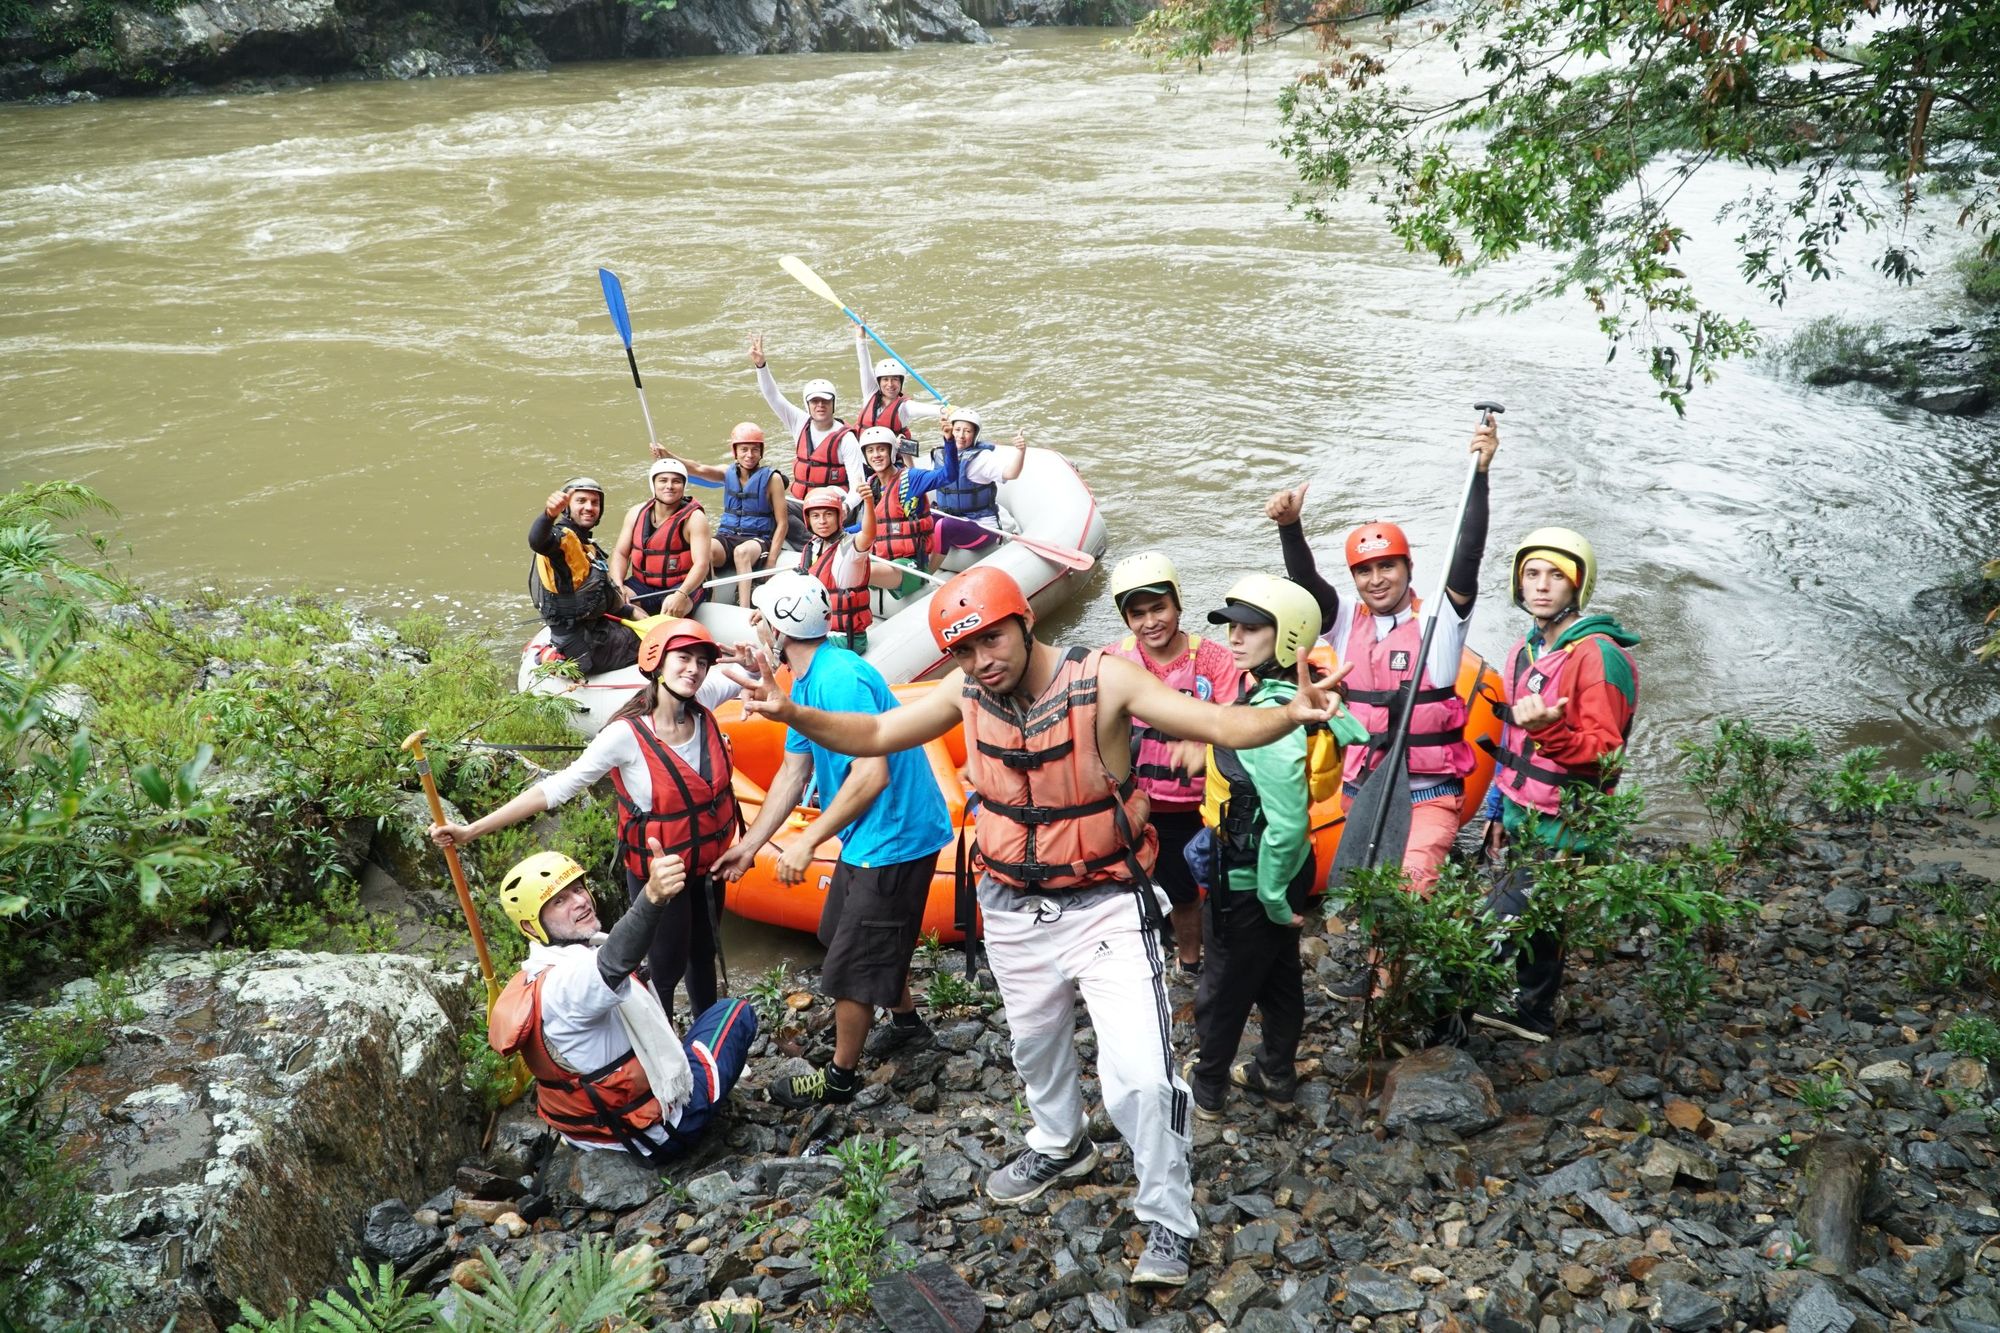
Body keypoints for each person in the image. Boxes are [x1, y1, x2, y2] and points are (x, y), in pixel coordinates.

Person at [733, 567, 1345, 1289]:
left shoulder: (1106, 680)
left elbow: (1216, 723)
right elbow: (873, 730)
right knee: (1034, 1045)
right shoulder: (966, 693)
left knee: (1144, 1080)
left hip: (1107, 906)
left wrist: (1288, 714)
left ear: (1025, 621)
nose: (981, 659)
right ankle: (1061, 1143)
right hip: (1013, 906)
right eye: (964, 649)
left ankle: (1168, 1219)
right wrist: (789, 712)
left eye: (992, 637)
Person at [711, 571, 953, 1108]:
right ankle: (908, 1023)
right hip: (872, 834)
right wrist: (751, 846)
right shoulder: (807, 679)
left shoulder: (838, 680)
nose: (759, 629)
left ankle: (841, 1079)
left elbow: (872, 775)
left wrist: (807, 840)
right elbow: (793, 773)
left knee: (851, 967)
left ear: (780, 626)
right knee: (836, 931)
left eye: (764, 620)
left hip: (896, 836)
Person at [431, 619, 751, 1021]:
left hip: (707, 866)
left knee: (704, 955)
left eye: (702, 663)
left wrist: (753, 655)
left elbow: (758, 674)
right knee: (665, 970)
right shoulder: (624, 736)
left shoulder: (707, 699)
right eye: (683, 659)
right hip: (658, 877)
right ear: (657, 663)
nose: (694, 669)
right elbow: (556, 788)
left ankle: (709, 1042)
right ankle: (661, 1048)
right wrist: (471, 830)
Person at [1266, 420, 1499, 912]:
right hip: (1364, 788)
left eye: (1387, 566)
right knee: (1368, 898)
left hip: (1428, 793)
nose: (1376, 579)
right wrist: (1291, 528)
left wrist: (1479, 475)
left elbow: (1467, 556)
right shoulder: (1348, 623)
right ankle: (1378, 978)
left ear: (1408, 568)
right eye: (1365, 571)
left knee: (1409, 894)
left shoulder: (1439, 623)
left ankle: (1390, 984)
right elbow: (1309, 585)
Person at [1185, 575, 1366, 1120]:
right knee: (1279, 974)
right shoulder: (1282, 699)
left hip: (1251, 869)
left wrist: (1269, 894)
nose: (1234, 639)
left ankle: (1209, 1088)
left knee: (1224, 982)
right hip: (1276, 865)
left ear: (1288, 639)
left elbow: (1287, 820)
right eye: (1232, 628)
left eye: (1250, 629)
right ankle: (1275, 1072)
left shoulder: (1278, 717)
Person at [486, 846, 757, 1165]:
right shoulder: (565, 986)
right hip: (654, 1134)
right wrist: (652, 896)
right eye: (559, 901)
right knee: (734, 1013)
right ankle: (695, 1108)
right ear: (531, 927)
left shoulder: (537, 972)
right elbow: (614, 962)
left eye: (577, 889)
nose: (580, 901)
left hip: (589, 1134)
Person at [1475, 528, 1640, 1039]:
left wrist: (1550, 729)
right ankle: (1534, 1015)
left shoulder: (1598, 655)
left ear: (1577, 587)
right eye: (1531, 574)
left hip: (1570, 820)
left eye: (1556, 576)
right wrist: (1497, 811)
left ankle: (1449, 1012)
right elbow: (1510, 739)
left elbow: (1604, 751)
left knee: (1495, 923)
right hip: (1525, 811)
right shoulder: (1525, 651)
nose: (1542, 587)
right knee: (1538, 917)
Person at [1105, 552, 1242, 977]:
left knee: (1188, 893)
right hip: (1138, 803)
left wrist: (1208, 751)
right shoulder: (1109, 662)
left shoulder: (1214, 660)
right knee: (1139, 888)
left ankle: (1190, 963)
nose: (1151, 622)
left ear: (1178, 605)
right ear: (1126, 619)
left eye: (1159, 608)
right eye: (1138, 613)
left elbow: (1241, 722)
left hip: (1198, 806)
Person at [751, 333, 865, 532]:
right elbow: (773, 396)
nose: (820, 405)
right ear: (808, 404)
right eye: (815, 401)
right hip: (803, 502)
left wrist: (847, 506)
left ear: (833, 404)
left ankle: (816, 541)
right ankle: (806, 541)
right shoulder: (799, 422)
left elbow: (858, 485)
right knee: (770, 504)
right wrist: (761, 366)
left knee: (825, 499)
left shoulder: (846, 438)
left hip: (834, 504)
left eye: (825, 401)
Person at [669, 422, 788, 608]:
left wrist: (771, 561)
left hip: (757, 539)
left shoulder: (773, 479)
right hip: (728, 536)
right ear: (735, 451)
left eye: (755, 449)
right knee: (704, 549)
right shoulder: (727, 473)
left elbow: (782, 523)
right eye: (744, 449)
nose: (749, 455)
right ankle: (711, 602)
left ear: (761, 452)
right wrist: (668, 456)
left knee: (742, 553)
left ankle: (744, 607)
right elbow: (697, 468)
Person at [529, 476, 639, 675]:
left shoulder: (584, 543)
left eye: (595, 502)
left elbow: (597, 595)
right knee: (657, 647)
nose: (589, 507)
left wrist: (628, 611)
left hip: (593, 628)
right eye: (581, 501)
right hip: (583, 645)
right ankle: (556, 658)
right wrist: (548, 515)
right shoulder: (561, 539)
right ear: (566, 507)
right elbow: (538, 541)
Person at [611, 458, 713, 617]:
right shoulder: (635, 513)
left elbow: (702, 564)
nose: (669, 486)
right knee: (611, 599)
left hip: (681, 586)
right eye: (663, 480)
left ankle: (654, 625)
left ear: (684, 486)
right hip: (641, 585)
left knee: (670, 607)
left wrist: (681, 594)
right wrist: (618, 585)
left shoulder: (694, 519)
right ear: (653, 484)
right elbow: (620, 553)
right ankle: (642, 620)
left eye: (676, 481)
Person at [860, 424, 958, 587]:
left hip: (911, 565)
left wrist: (949, 441)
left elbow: (948, 475)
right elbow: (870, 525)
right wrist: (842, 533)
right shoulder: (872, 485)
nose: (876, 455)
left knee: (857, 570)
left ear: (891, 452)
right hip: (881, 559)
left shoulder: (912, 478)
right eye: (870, 451)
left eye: (881, 449)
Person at [928, 405, 1027, 556]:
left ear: (975, 435)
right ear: (950, 431)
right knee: (921, 514)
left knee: (945, 525)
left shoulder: (982, 459)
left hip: (982, 528)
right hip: (952, 519)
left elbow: (1011, 473)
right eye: (957, 430)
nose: (961, 435)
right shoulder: (940, 455)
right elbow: (921, 481)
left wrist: (1021, 451)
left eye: (967, 431)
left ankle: (926, 578)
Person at [796, 485, 878, 655]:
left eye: (828, 514)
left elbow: (869, 534)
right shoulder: (812, 547)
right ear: (808, 520)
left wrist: (869, 502)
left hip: (847, 637)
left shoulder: (850, 547)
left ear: (839, 516)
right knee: (767, 629)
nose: (822, 521)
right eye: (816, 516)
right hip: (817, 631)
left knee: (793, 646)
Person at [854, 327, 943, 436]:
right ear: (879, 382)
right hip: (865, 449)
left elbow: (930, 409)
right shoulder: (870, 393)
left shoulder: (905, 407)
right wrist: (861, 337)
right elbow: (864, 365)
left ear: (901, 382)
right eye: (885, 379)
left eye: (895, 379)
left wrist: (947, 411)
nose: (890, 384)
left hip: (890, 452)